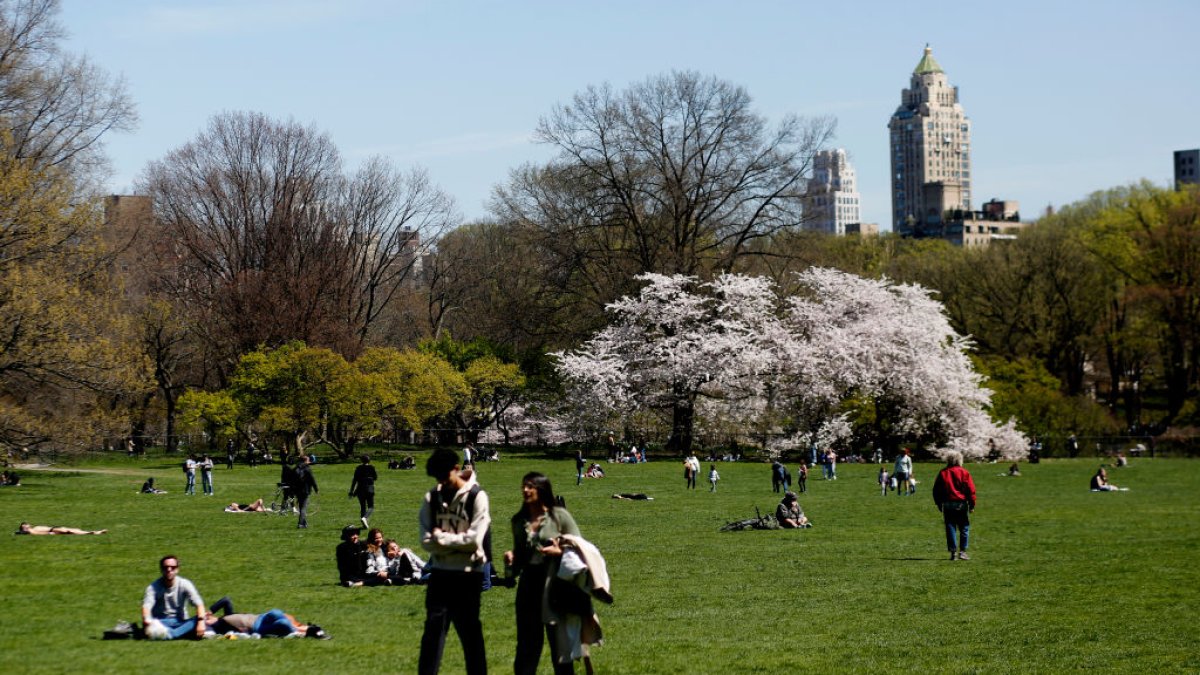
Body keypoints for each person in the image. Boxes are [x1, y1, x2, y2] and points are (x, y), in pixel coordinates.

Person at [418, 447, 490, 675]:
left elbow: (475, 540)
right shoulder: (431, 498)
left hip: (469, 574)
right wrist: (455, 541)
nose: (441, 482)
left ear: (456, 469)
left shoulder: (477, 497)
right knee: (432, 633)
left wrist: (442, 538)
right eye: (437, 478)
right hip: (440, 574)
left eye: (444, 476)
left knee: (470, 634)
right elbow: (425, 542)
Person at [503, 472, 581, 675]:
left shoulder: (559, 517)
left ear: (542, 490)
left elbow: (580, 548)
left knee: (560, 648)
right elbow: (519, 559)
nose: (525, 490)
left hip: (555, 585)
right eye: (523, 486)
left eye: (531, 486)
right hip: (529, 586)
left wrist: (559, 551)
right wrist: (511, 562)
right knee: (527, 648)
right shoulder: (519, 521)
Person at [142, 555, 207, 640]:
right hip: (161, 622)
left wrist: (201, 622)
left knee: (202, 617)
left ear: (177, 569)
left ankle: (168, 634)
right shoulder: (153, 587)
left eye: (172, 567)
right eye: (166, 567)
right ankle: (174, 634)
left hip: (181, 621)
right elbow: (146, 606)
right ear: (161, 569)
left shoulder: (185, 584)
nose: (169, 570)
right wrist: (146, 619)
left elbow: (199, 604)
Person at [932, 451, 976, 561]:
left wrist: (938, 503)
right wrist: (972, 504)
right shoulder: (964, 472)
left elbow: (936, 490)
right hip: (961, 504)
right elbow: (970, 490)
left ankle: (953, 553)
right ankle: (962, 551)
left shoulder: (943, 473)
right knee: (964, 527)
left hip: (947, 504)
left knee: (950, 528)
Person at [349, 454, 378, 528]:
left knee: (363, 506)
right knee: (371, 506)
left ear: (361, 460)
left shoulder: (358, 468)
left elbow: (354, 480)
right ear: (369, 460)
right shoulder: (372, 467)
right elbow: (375, 477)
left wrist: (351, 491)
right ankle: (364, 518)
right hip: (369, 489)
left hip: (360, 489)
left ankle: (364, 524)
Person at [292, 455, 318, 529]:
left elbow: (291, 480)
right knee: (303, 507)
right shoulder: (307, 468)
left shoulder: (295, 468)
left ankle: (304, 523)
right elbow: (312, 479)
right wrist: (316, 489)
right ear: (305, 461)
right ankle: (300, 524)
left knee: (301, 507)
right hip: (305, 490)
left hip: (297, 490)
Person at [15, 522, 107, 535]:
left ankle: (96, 532)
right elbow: (38, 533)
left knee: (75, 530)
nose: (27, 524)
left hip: (55, 528)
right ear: (24, 528)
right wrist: (49, 534)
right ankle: (91, 533)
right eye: (24, 525)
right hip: (53, 530)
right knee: (70, 531)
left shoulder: (33, 528)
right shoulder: (31, 531)